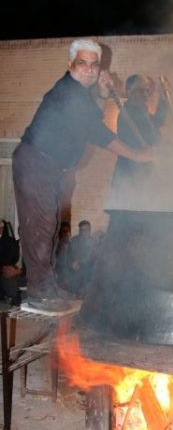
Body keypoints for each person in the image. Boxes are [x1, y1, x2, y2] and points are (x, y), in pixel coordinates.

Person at [12, 39, 156, 314]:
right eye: (82, 63)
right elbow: (99, 133)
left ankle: (46, 285)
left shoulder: (79, 93)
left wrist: (101, 94)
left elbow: (90, 118)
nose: (89, 69)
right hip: (37, 163)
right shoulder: (69, 92)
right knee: (40, 227)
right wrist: (138, 155)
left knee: (50, 227)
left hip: (52, 168)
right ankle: (38, 294)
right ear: (71, 64)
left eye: (94, 64)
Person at [112, 73, 167, 185]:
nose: (146, 95)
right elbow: (134, 145)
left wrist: (162, 97)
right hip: (130, 176)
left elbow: (158, 121)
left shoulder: (142, 111)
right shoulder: (127, 115)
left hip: (143, 173)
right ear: (130, 92)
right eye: (142, 90)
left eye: (148, 90)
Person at [68, 220, 97, 297]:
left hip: (89, 267)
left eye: (86, 230)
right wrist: (72, 262)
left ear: (90, 230)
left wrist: (80, 261)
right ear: (79, 231)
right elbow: (69, 255)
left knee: (87, 270)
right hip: (75, 267)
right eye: (82, 230)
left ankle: (84, 292)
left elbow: (93, 257)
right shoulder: (74, 241)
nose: (84, 233)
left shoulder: (94, 242)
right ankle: (75, 293)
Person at [0, 220, 25, 305]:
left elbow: (37, 268)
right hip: (12, 273)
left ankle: (15, 297)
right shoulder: (12, 243)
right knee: (6, 275)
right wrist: (6, 268)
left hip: (26, 275)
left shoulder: (34, 248)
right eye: (21, 230)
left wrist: (17, 271)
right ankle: (14, 297)